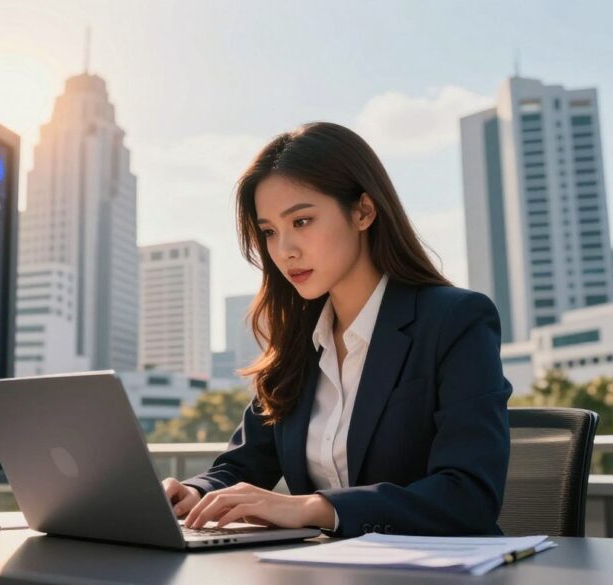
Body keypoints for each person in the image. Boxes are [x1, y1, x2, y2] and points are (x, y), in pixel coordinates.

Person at [163, 122, 511, 537]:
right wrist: (195, 492)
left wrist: (315, 508)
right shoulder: (299, 341)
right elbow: (244, 465)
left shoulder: (455, 320)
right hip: (324, 570)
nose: (285, 250)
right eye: (270, 232)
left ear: (363, 211)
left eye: (303, 221)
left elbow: (468, 496)